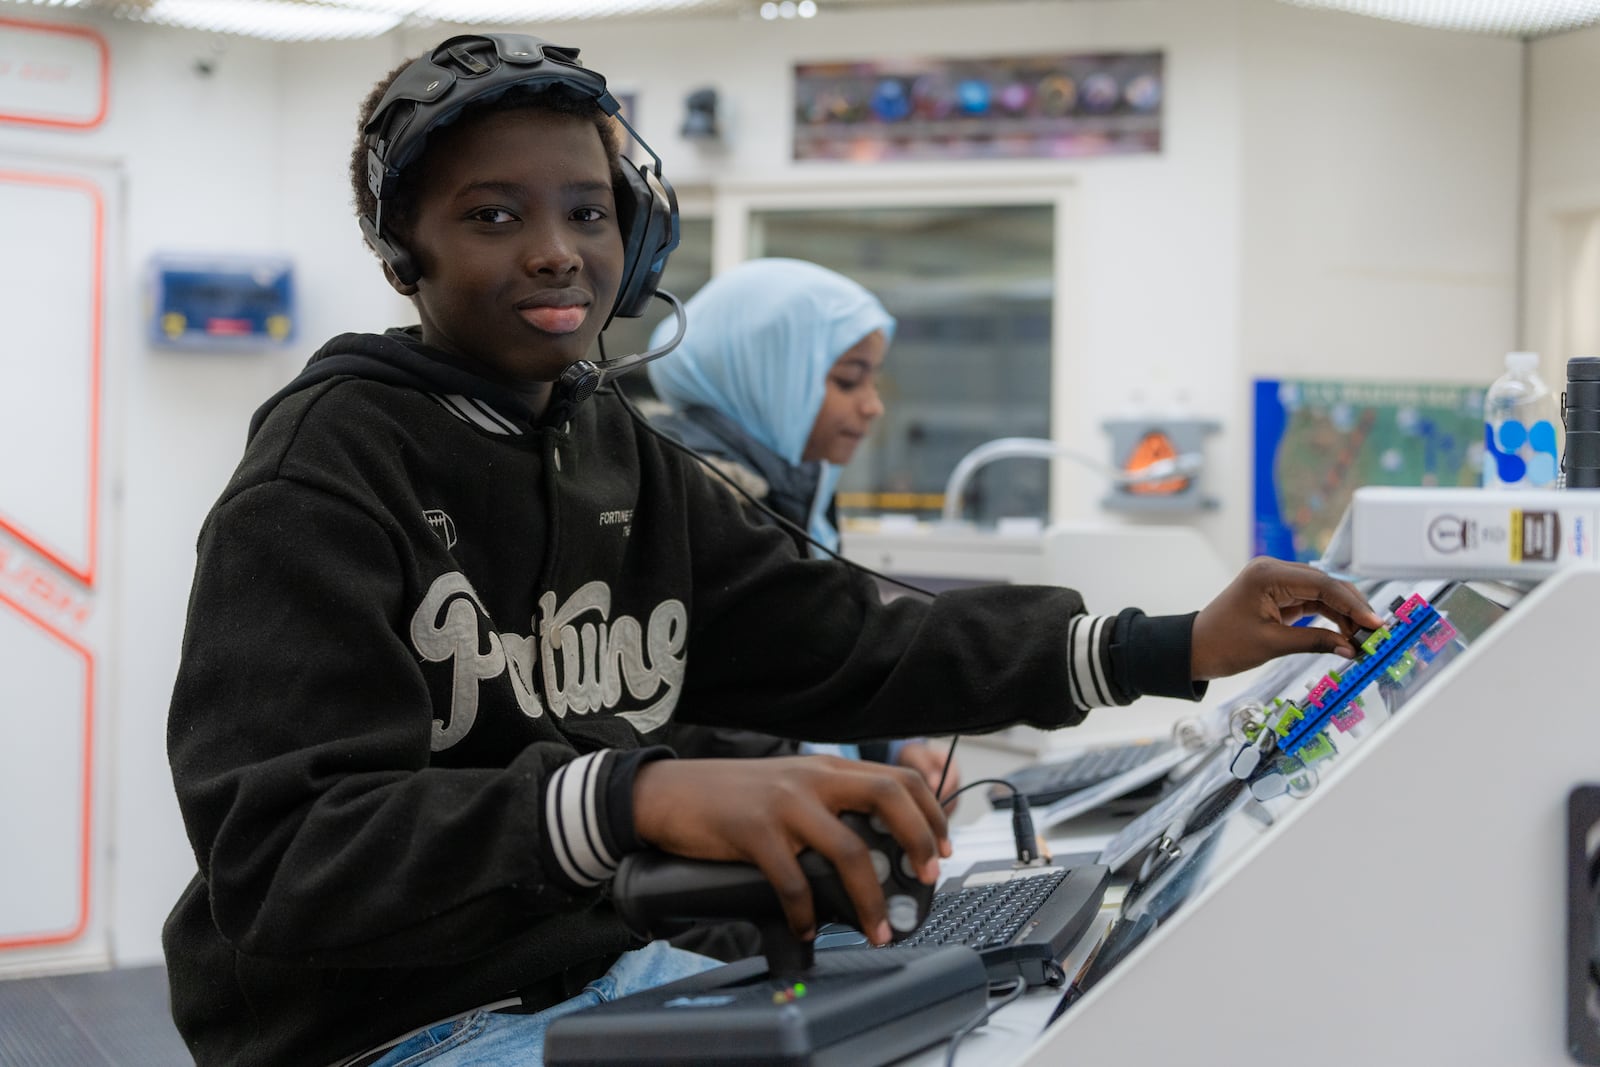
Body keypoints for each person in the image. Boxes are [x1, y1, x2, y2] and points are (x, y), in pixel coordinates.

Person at [161, 32, 1383, 1067]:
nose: (554, 250)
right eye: (492, 216)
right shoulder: (321, 476)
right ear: (402, 251)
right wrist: (628, 794)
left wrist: (1161, 642)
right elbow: (282, 860)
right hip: (394, 1028)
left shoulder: (611, 447)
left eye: (588, 212)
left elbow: (840, 634)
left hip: (588, 966)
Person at [643, 257, 956, 797]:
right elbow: (691, 713)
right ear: (768, 375)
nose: (873, 405)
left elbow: (806, 668)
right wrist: (829, 781)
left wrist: (892, 748)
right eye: (848, 380)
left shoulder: (797, 494)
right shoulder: (684, 497)